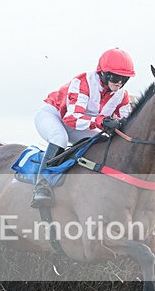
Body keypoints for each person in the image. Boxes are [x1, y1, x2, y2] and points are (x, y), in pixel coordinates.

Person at [31, 48, 135, 208]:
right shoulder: (83, 82)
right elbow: (71, 118)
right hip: (54, 115)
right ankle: (42, 185)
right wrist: (101, 122)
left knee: (100, 142)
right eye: (116, 77)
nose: (119, 82)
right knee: (60, 138)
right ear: (104, 73)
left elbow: (126, 123)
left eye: (124, 78)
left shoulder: (122, 95)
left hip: (78, 123)